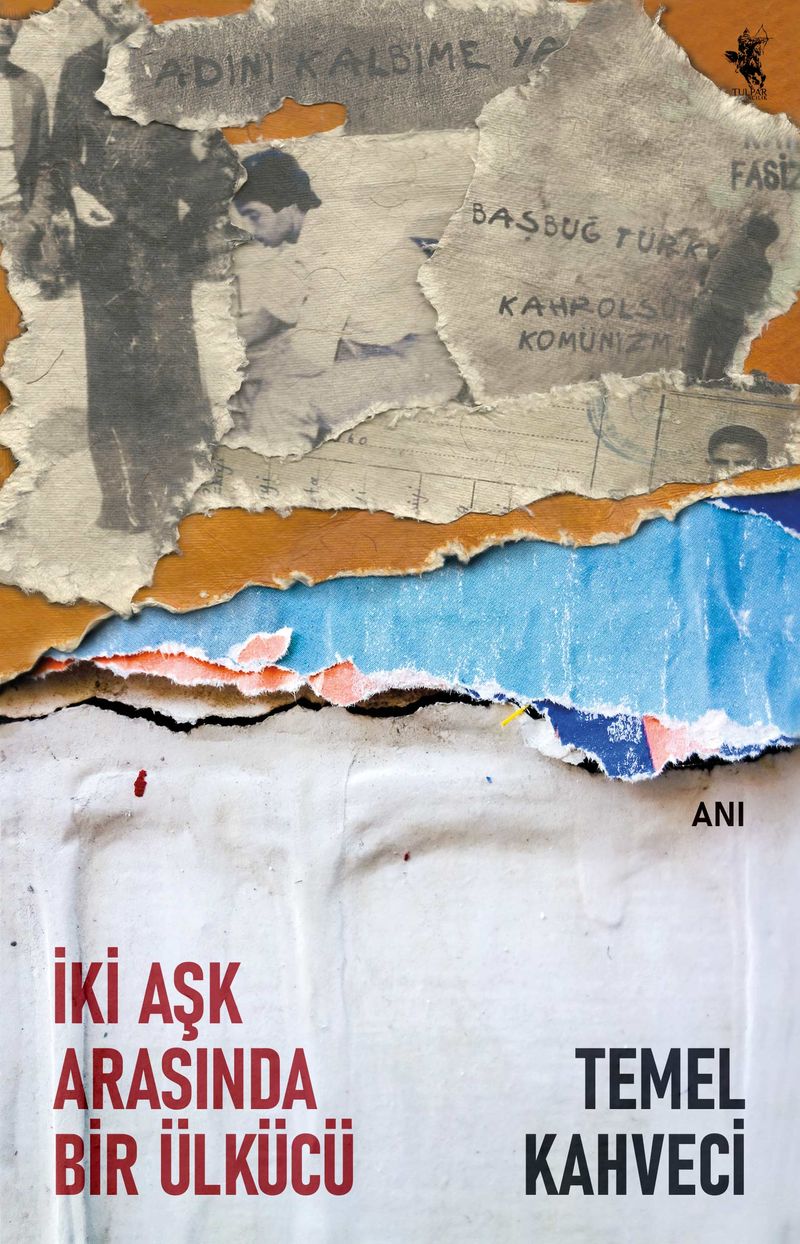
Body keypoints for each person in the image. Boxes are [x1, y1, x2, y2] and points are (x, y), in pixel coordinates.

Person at [51, 0, 238, 532]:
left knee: (169, 366)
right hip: (100, 247)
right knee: (111, 370)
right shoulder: (79, 68)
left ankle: (185, 494)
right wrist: (76, 193)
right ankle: (125, 505)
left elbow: (219, 164)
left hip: (161, 246)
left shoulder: (180, 63)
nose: (115, 4)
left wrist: (188, 225)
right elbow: (59, 153)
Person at [683, 214, 779, 383]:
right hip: (734, 313)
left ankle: (686, 390)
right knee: (718, 368)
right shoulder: (764, 268)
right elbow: (754, 301)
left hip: (709, 305)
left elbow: (713, 278)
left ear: (748, 232)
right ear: (769, 241)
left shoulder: (731, 250)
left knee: (692, 362)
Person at [0, 18, 50, 271]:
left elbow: (45, 165)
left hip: (14, 221)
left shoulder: (30, 85)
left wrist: (34, 221)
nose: (4, 23)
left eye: (13, 14)